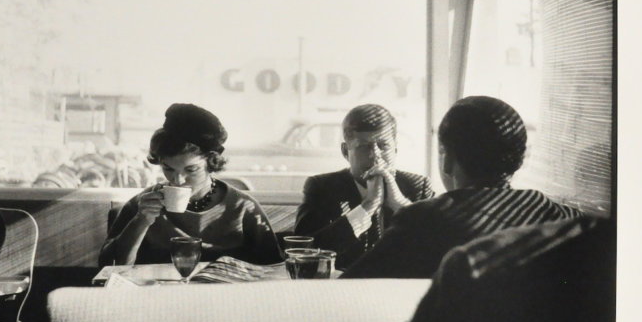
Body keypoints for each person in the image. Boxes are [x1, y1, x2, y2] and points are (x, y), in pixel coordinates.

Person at [341, 95, 581, 279]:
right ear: (519, 159)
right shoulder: (560, 217)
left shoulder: (424, 221)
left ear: (446, 159)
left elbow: (351, 286)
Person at [372, 215, 615, 322]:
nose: (376, 155)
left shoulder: (475, 264)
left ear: (446, 161)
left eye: (384, 145)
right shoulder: (560, 219)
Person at [99, 103, 282, 266]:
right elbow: (109, 267)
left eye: (191, 170)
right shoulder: (142, 205)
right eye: (168, 169)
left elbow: (274, 267)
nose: (178, 180)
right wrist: (141, 221)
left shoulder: (242, 207)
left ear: (212, 162)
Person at [292, 104, 434, 270]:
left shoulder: (418, 187)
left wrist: (401, 205)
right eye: (364, 146)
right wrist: (367, 206)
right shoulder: (322, 188)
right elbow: (302, 252)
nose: (375, 155)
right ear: (346, 151)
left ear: (395, 148)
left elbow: (439, 244)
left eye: (383, 145)